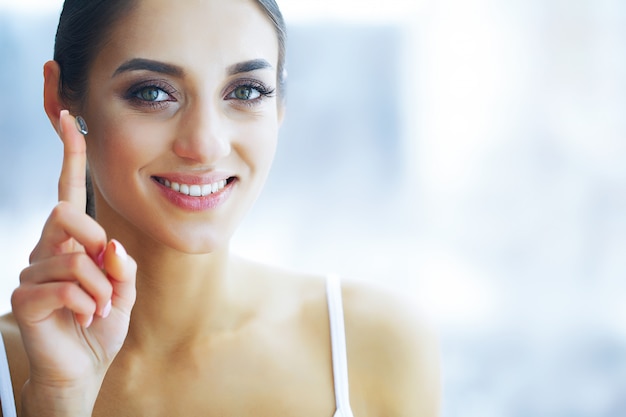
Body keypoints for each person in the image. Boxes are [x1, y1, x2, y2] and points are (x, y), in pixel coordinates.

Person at [0, 0, 440, 416]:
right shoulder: (13, 364)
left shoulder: (378, 346)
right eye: (153, 93)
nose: (206, 143)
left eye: (246, 90)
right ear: (60, 99)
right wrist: (57, 399)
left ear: (280, 105)